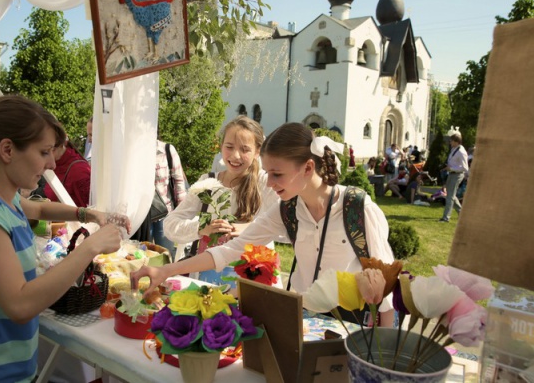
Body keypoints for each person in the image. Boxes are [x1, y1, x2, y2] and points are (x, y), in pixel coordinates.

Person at [0, 95, 131, 382]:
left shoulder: (0, 197)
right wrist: (91, 247)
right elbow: (20, 305)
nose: (51, 163)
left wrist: (90, 214)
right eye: (44, 152)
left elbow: (37, 207)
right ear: (7, 149)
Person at [133, 122, 395, 326]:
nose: (269, 183)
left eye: (277, 174)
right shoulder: (286, 209)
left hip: (352, 327)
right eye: (268, 173)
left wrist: (383, 350)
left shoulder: (359, 210)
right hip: (302, 323)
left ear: (308, 167)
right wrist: (166, 271)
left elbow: (386, 289)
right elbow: (230, 251)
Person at [163, 115, 279, 285]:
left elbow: (284, 225)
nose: (235, 155)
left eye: (245, 149)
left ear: (257, 151)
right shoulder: (208, 182)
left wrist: (247, 228)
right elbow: (170, 225)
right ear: (221, 146)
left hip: (253, 279)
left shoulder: (266, 183)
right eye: (229, 147)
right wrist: (202, 227)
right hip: (207, 277)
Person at [150, 139, 188, 258]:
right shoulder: (132, 151)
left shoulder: (166, 150)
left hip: (164, 212)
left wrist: (183, 213)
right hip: (141, 216)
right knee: (140, 254)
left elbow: (179, 181)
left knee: (166, 256)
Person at [43, 131, 92, 208]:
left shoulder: (78, 171)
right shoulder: (56, 164)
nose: (46, 156)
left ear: (60, 145)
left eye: (50, 150)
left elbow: (90, 211)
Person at [440, 132, 469, 222]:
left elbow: (465, 167)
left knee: (450, 197)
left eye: (451, 141)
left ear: (456, 141)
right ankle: (461, 213)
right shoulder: (454, 149)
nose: (450, 142)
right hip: (452, 173)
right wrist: (447, 167)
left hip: (457, 175)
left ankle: (446, 218)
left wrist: (451, 168)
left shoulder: (461, 151)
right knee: (451, 195)